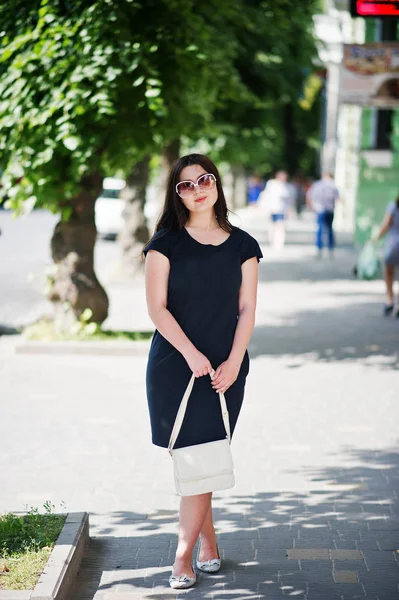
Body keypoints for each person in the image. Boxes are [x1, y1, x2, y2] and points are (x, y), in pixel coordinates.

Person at [143, 154, 262, 590]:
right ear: (176, 194)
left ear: (217, 183)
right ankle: (197, 549)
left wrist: (233, 360)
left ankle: (188, 555)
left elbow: (247, 307)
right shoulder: (164, 244)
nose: (197, 189)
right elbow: (157, 309)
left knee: (204, 459)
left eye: (204, 179)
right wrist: (192, 354)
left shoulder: (244, 245)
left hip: (226, 369)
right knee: (196, 460)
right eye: (186, 185)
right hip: (176, 366)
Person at [375, 195, 399, 317]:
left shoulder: (394, 206)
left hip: (394, 244)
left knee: (389, 272)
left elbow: (386, 224)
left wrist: (376, 237)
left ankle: (390, 300)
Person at [306, 172, 339, 257]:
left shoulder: (317, 185)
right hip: (330, 210)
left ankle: (319, 248)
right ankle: (330, 248)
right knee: (329, 229)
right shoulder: (333, 185)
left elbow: (309, 196)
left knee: (320, 229)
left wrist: (312, 207)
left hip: (320, 209)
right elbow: (338, 198)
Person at [258, 170, 292, 250]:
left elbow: (289, 200)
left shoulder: (286, 186)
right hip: (272, 209)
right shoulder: (272, 184)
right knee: (272, 226)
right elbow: (266, 195)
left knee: (280, 226)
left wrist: (289, 210)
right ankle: (272, 240)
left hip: (281, 209)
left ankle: (279, 243)